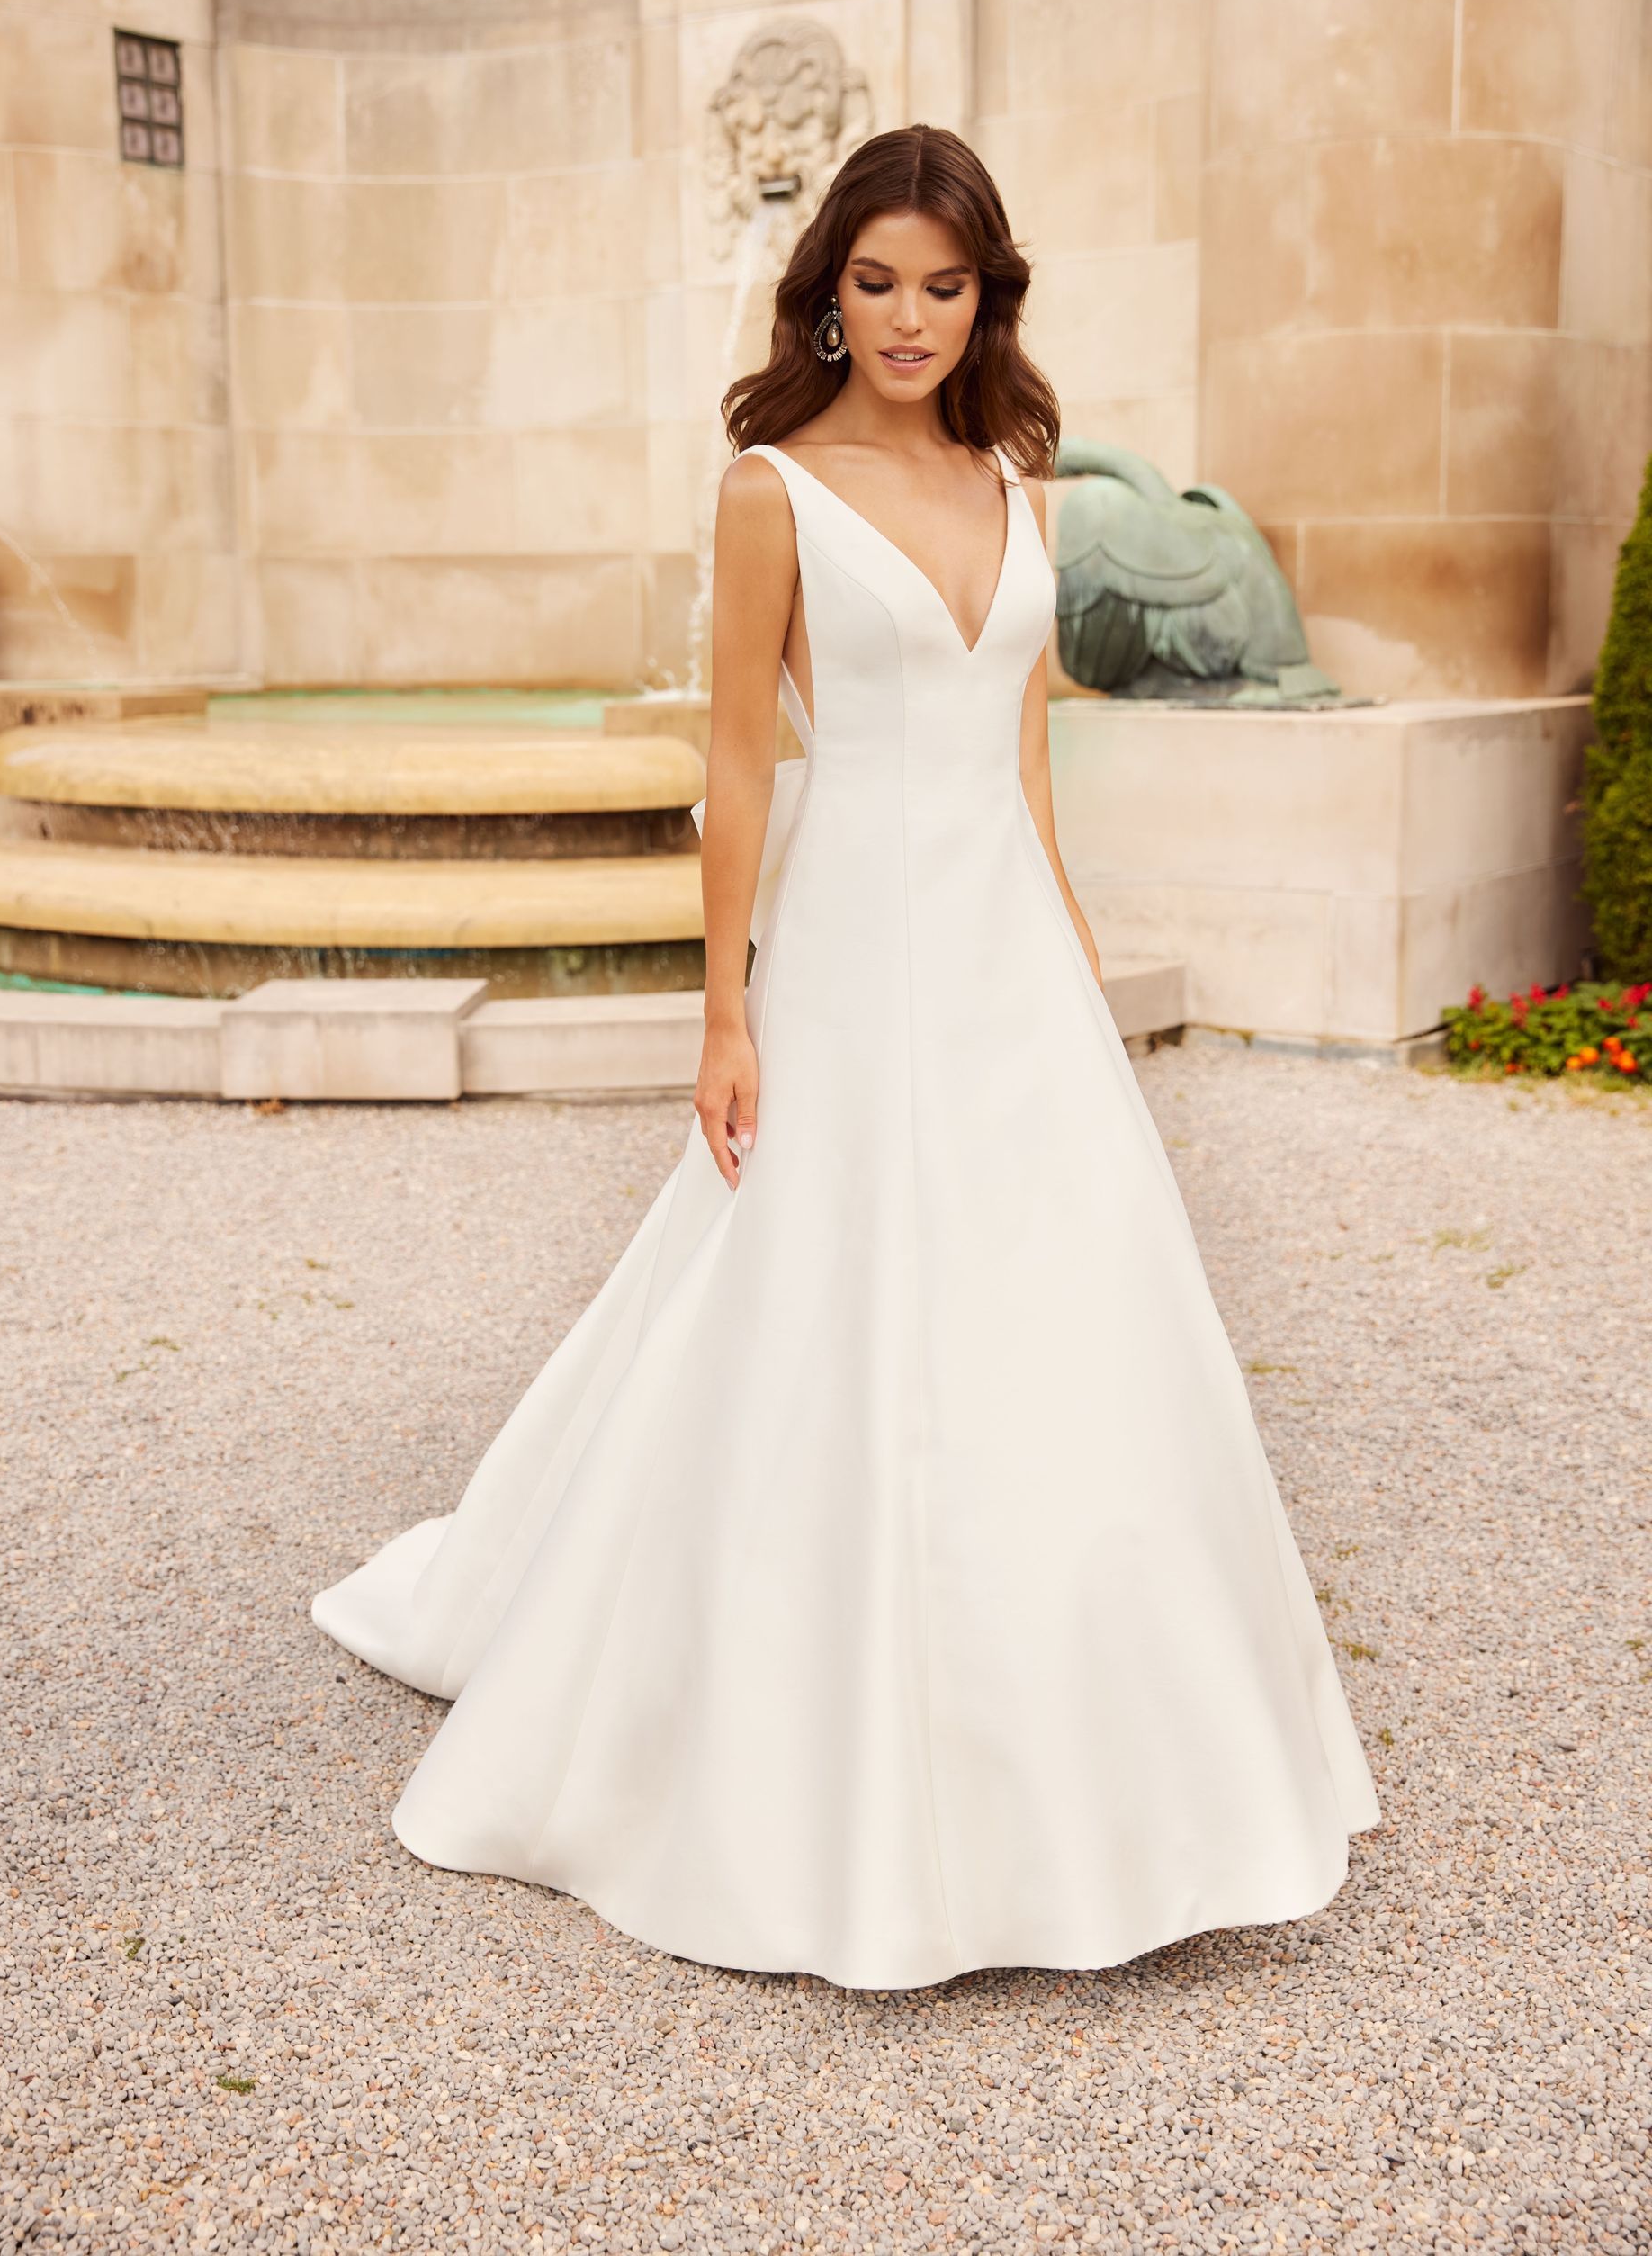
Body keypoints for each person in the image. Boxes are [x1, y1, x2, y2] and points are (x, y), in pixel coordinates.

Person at [311, 124, 1380, 1992]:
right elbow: (738, 763)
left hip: (1006, 961)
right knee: (820, 1308)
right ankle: (763, 1728)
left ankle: (1128, 1756)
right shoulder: (767, 493)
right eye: (873, 282)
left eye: (941, 285)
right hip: (854, 949)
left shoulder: (1020, 479)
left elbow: (1027, 754)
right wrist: (724, 1005)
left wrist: (1077, 956)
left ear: (989, 299)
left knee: (1075, 1318)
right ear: (825, 294)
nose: (906, 316)